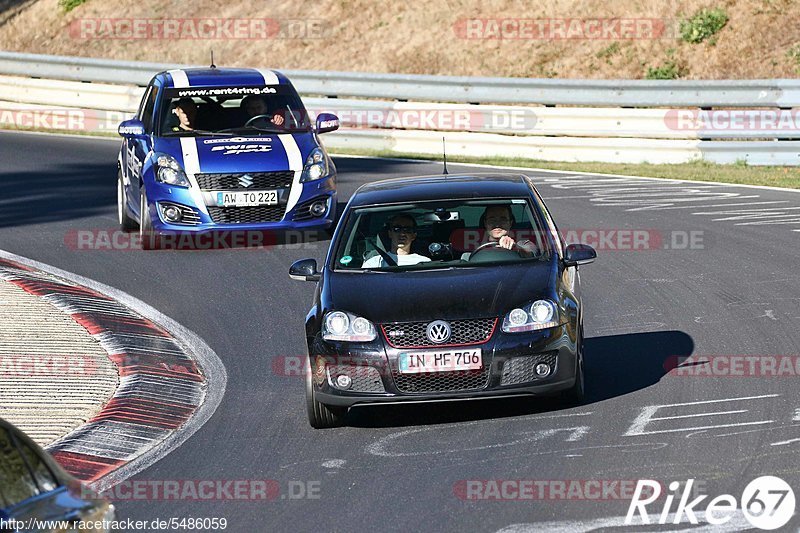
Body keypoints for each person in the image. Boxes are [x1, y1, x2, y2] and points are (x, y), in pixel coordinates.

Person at [462, 205, 537, 259]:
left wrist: (516, 248)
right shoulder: (471, 248)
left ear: (510, 223)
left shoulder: (523, 243)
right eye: (492, 219)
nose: (497, 224)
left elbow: (531, 254)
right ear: (485, 223)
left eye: (503, 219)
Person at [362, 214, 431, 268]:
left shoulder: (424, 262)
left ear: (413, 236)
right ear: (390, 234)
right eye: (397, 229)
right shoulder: (374, 263)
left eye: (407, 230)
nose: (402, 234)